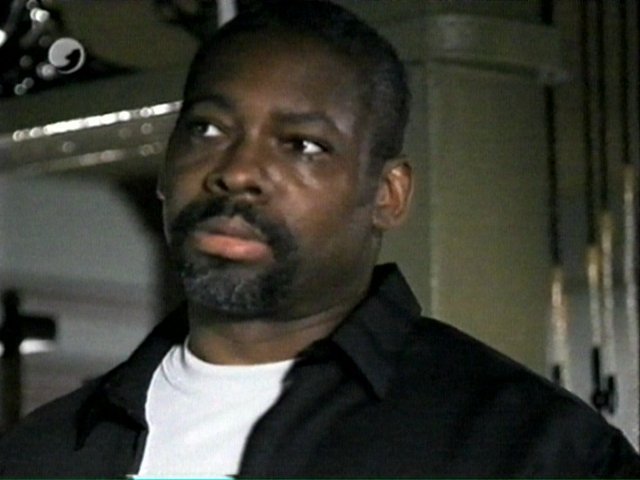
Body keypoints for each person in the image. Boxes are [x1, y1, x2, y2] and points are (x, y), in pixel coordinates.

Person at [1, 1, 640, 477]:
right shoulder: (43, 453)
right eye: (208, 130)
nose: (237, 172)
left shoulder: (530, 450)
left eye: (303, 145)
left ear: (387, 194)